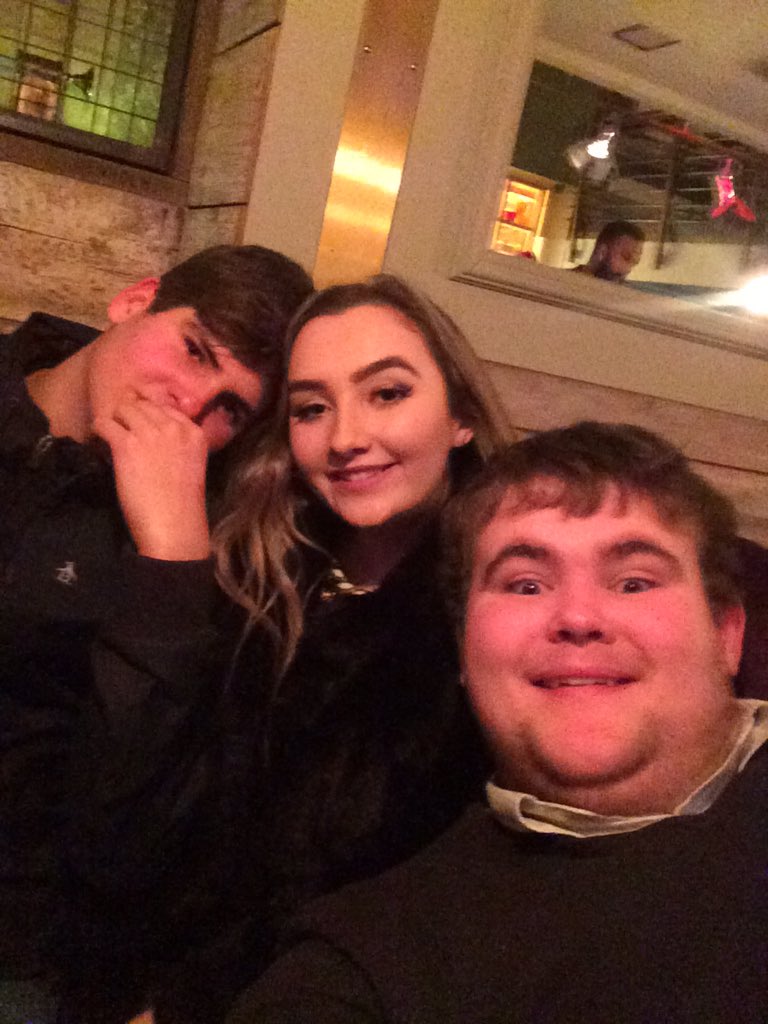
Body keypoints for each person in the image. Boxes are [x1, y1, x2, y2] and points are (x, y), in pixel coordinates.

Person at [73, 275, 512, 1022]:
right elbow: (124, 800)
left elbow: (416, 901)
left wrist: (187, 1005)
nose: (344, 438)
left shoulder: (490, 615)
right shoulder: (256, 565)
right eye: (312, 408)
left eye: (387, 393)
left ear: (461, 416)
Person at [230, 421, 768, 1024]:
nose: (578, 618)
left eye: (634, 581)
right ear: (463, 648)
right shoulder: (367, 964)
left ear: (728, 634)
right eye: (526, 585)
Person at [0, 244, 313, 1022]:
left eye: (230, 409)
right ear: (134, 301)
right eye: (194, 351)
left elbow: (122, 828)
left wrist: (170, 558)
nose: (190, 406)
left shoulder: (208, 542)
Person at [573, 219, 645, 281]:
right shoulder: (568, 282)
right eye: (626, 257)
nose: (628, 270)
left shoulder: (620, 291)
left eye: (634, 263)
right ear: (602, 252)